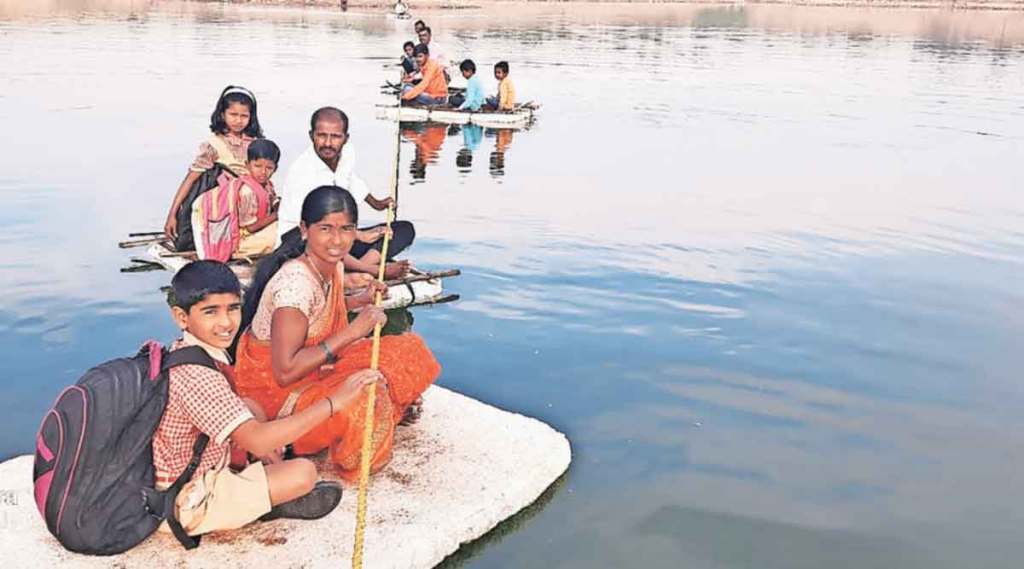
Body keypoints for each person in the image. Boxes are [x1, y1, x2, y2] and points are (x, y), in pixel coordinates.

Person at [152, 260, 385, 537]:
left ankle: (261, 482)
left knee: (251, 408)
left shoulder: (191, 350)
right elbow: (258, 439)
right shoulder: (197, 375)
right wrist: (336, 402)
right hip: (186, 499)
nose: (226, 323)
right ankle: (262, 504)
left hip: (199, 462)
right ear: (181, 317)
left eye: (233, 309)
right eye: (210, 312)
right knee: (303, 473)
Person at [234, 186, 441, 482]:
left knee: (409, 349)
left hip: (317, 370)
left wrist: (359, 301)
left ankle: (374, 412)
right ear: (305, 230)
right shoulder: (295, 286)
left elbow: (318, 316)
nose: (337, 240)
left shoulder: (329, 265)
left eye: (346, 229)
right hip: (278, 396)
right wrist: (354, 331)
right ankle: (290, 441)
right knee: (368, 399)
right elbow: (285, 371)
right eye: (326, 229)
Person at [278, 107, 413, 279]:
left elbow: (352, 180)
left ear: (345, 138)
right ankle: (369, 269)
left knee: (402, 230)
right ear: (311, 135)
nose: (327, 143)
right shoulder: (302, 173)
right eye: (321, 135)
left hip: (340, 236)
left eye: (335, 137)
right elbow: (313, 230)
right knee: (327, 240)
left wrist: (377, 204)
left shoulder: (346, 154)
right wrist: (359, 236)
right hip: (303, 242)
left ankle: (357, 266)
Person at [165, 86, 263, 240]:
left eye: (244, 116)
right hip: (225, 209)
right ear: (223, 115)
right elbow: (191, 179)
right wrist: (172, 214)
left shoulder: (256, 143)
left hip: (255, 203)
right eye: (233, 114)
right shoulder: (213, 145)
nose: (238, 120)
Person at [233, 139, 281, 257]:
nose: (263, 172)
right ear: (247, 165)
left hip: (259, 232)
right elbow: (249, 228)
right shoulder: (247, 191)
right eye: (257, 166)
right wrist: (276, 215)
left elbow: (272, 200)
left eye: (269, 168)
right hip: (243, 240)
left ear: (275, 168)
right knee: (281, 235)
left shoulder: (267, 185)